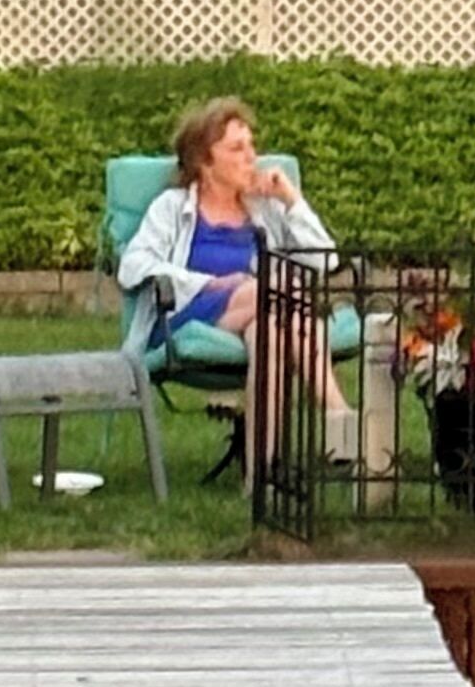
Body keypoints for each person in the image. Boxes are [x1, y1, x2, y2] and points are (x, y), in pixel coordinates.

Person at [118, 99, 355, 453]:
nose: (252, 157)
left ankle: (263, 473)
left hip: (259, 311)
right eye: (237, 148)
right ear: (204, 161)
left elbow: (325, 260)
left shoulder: (264, 207)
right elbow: (133, 265)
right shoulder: (172, 206)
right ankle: (342, 418)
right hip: (188, 316)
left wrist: (291, 199)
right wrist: (208, 282)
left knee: (270, 331)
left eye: (252, 145)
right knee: (273, 290)